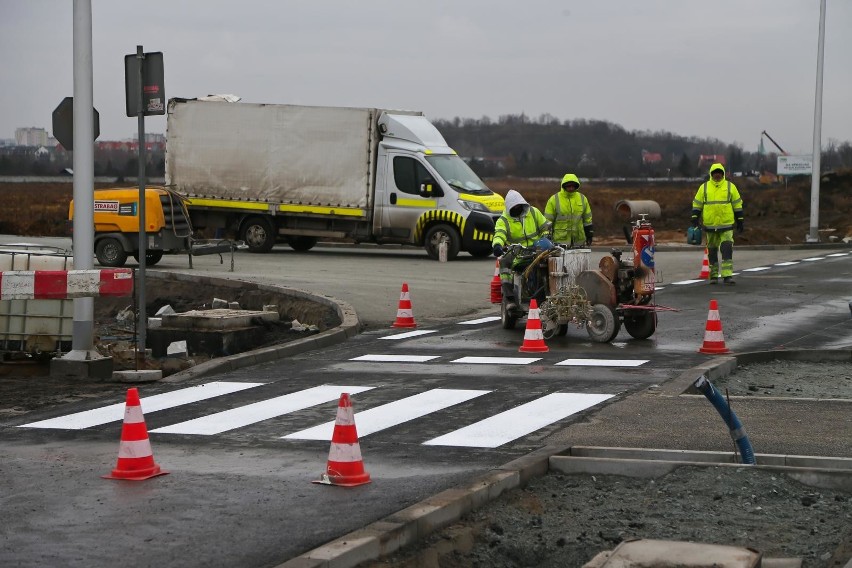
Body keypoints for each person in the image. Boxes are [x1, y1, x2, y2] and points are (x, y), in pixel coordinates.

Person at [492, 189, 551, 311]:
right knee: (504, 262)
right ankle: (509, 298)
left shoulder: (533, 212)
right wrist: (497, 245)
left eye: (519, 206)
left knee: (554, 261)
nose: (517, 208)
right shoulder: (503, 220)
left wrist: (545, 237)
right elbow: (499, 234)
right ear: (509, 207)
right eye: (514, 207)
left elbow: (545, 226)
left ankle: (551, 293)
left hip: (537, 249)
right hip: (517, 252)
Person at [691, 163, 744, 285]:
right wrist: (694, 218)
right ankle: (714, 275)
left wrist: (740, 220)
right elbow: (697, 204)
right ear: (711, 174)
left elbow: (737, 205)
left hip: (726, 225)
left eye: (720, 173)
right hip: (710, 226)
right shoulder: (704, 188)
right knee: (712, 251)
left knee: (726, 249)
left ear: (723, 174)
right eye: (715, 173)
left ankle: (727, 275)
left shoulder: (730, 187)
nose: (717, 175)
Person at [544, 173, 593, 247]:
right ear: (563, 186)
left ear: (576, 186)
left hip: (578, 241)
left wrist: (589, 234)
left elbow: (587, 219)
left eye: (573, 186)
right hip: (560, 242)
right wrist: (547, 237)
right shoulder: (554, 199)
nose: (571, 188)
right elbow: (547, 221)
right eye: (568, 186)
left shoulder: (582, 198)